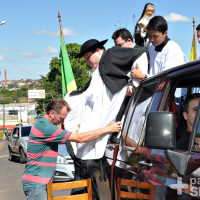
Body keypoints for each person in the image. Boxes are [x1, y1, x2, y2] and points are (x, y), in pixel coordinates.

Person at [64, 39, 148, 199]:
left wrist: (137, 79)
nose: (87, 62)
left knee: (87, 192)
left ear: (99, 51)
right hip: (89, 143)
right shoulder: (97, 73)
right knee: (87, 191)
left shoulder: (111, 56)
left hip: (98, 142)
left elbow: (139, 53)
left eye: (88, 57)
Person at [22, 99, 121, 200]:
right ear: (51, 113)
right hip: (37, 185)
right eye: (61, 118)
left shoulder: (42, 123)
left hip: (39, 184)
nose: (62, 122)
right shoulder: (46, 127)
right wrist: (107, 129)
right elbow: (79, 138)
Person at [131, 15, 186, 81]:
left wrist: (143, 77)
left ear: (165, 33)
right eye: (150, 36)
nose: (152, 39)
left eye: (155, 36)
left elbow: (167, 78)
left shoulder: (173, 49)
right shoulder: (151, 47)